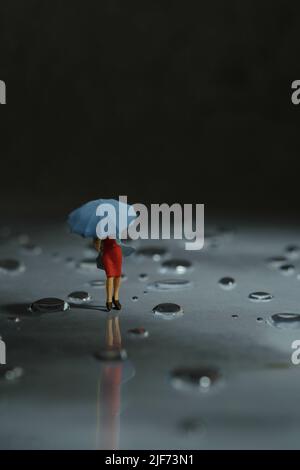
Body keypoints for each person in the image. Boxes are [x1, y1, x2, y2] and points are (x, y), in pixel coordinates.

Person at [94, 238, 122, 311]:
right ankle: (109, 300)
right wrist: (99, 244)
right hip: (107, 254)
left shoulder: (117, 227)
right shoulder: (100, 229)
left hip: (117, 252)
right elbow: (97, 244)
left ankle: (115, 297)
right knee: (110, 275)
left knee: (118, 276)